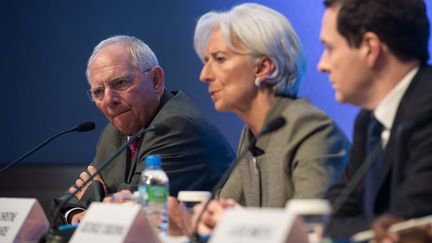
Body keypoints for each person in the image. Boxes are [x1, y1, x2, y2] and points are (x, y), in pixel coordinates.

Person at [192, 3, 351, 235]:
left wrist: (236, 221)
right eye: (206, 61)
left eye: (219, 59)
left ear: (263, 67)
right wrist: (195, 216)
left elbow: (311, 231)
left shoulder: (311, 129)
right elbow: (223, 206)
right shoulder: (254, 132)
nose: (204, 75)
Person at [49, 35, 235, 225]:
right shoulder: (113, 134)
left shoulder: (175, 126)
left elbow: (129, 213)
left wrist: (92, 193)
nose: (108, 100)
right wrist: (76, 212)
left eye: (120, 83)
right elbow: (61, 205)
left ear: (156, 80)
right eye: (98, 92)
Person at [318, 0, 432, 240]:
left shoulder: (427, 110)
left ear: (370, 48)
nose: (322, 65)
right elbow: (331, 214)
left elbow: (405, 225)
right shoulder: (368, 120)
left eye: (330, 49)